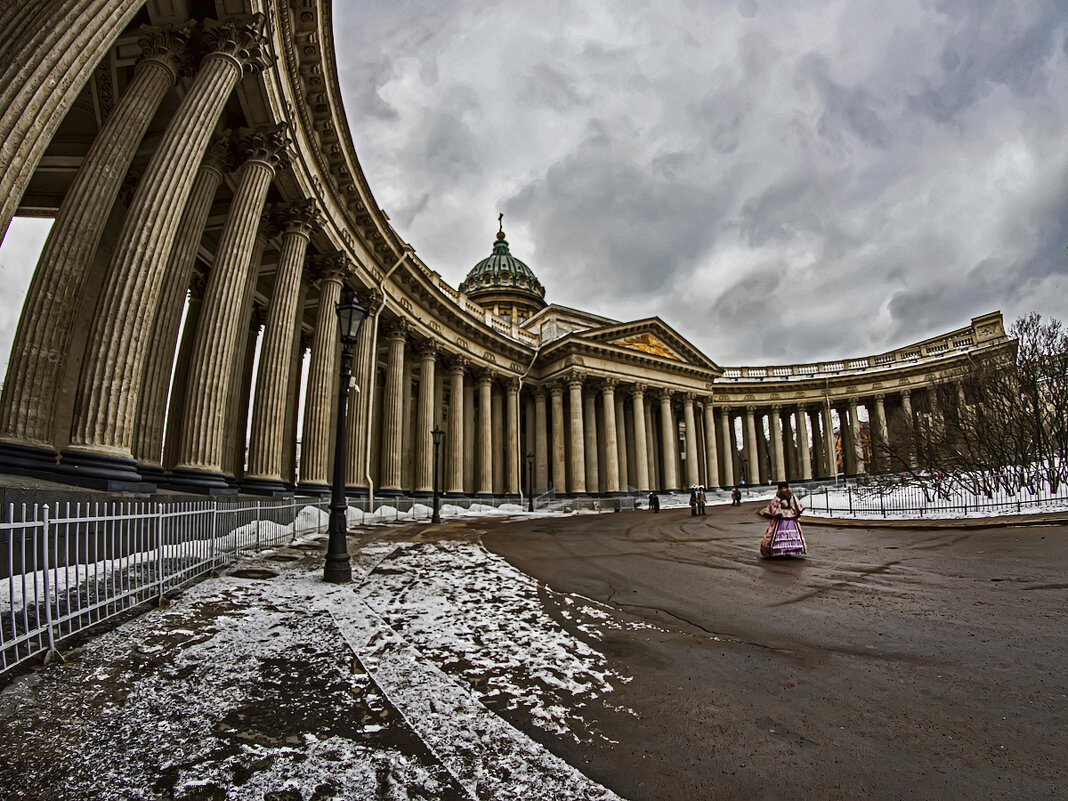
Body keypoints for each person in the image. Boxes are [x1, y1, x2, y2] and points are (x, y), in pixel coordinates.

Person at [758, 481, 807, 558]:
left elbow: (796, 505)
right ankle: (780, 550)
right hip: (781, 519)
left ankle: (789, 550)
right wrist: (778, 512)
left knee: (791, 535)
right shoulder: (777, 498)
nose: (784, 490)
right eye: (782, 488)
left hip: (790, 518)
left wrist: (794, 512)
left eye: (785, 488)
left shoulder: (792, 496)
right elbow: (773, 506)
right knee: (778, 534)